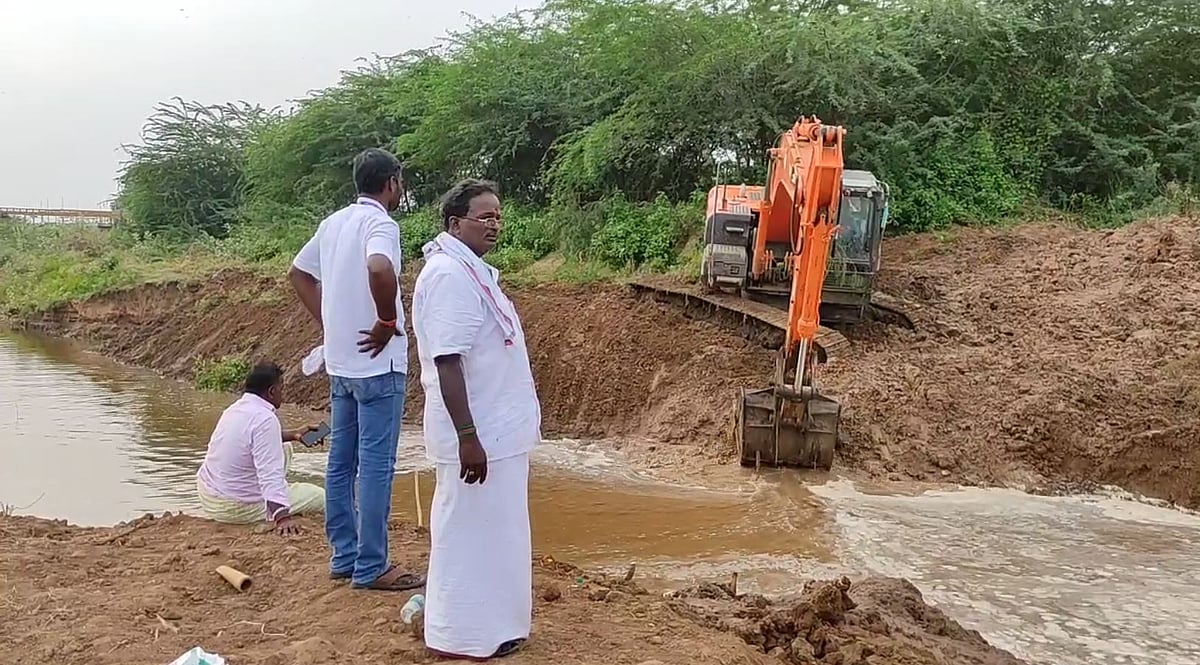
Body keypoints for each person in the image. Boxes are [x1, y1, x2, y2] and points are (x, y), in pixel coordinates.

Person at [411, 179, 541, 659]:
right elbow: (448, 362)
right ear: (454, 223)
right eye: (484, 216)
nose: (494, 224)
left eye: (498, 216)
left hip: (500, 434)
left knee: (499, 533)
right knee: (465, 533)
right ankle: (457, 638)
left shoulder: (473, 272)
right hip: (478, 436)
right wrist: (469, 437)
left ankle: (496, 629)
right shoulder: (447, 274)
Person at [287, 148, 424, 592]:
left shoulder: (333, 223)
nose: (400, 191)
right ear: (391, 183)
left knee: (341, 462)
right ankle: (371, 567)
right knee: (377, 466)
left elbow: (299, 273)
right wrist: (387, 321)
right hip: (378, 366)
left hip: (342, 364)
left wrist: (331, 324)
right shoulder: (380, 224)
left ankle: (344, 556)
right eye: (400, 183)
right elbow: (379, 267)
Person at [196, 361, 323, 536]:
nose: (282, 393)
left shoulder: (235, 409)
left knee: (285, 447)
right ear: (272, 391)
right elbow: (269, 474)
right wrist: (282, 517)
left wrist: (294, 435)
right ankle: (273, 505)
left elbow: (248, 440)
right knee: (319, 496)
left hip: (209, 494)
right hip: (234, 507)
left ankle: (274, 499)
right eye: (281, 388)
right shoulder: (265, 420)